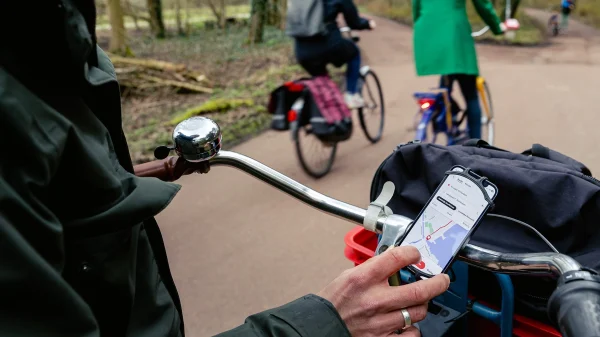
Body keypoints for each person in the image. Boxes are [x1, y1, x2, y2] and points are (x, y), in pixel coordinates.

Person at [0, 1, 449, 337]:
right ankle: (351, 96)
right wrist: (325, 323)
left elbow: (61, 187)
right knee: (350, 56)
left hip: (303, 49)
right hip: (329, 44)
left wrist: (151, 169)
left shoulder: (49, 35)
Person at [412, 0, 508, 139]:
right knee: (471, 96)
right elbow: (482, 4)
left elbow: (416, 7)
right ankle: (478, 148)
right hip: (454, 34)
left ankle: (449, 115)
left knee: (445, 86)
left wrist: (424, 31)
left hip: (426, 32)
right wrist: (497, 26)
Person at [293, 0, 376, 109]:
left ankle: (325, 113)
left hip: (302, 51)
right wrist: (368, 24)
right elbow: (354, 22)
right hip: (329, 45)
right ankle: (351, 95)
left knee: (321, 80)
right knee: (354, 53)